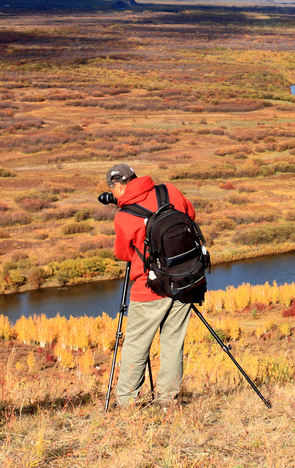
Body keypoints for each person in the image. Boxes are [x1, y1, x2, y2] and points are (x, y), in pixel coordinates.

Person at [107, 163, 196, 408]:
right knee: (173, 342)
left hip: (150, 289)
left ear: (118, 186)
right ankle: (167, 401)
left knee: (136, 345)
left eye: (113, 191)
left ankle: (127, 402)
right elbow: (190, 216)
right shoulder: (170, 191)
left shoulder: (124, 217)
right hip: (186, 279)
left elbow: (123, 253)